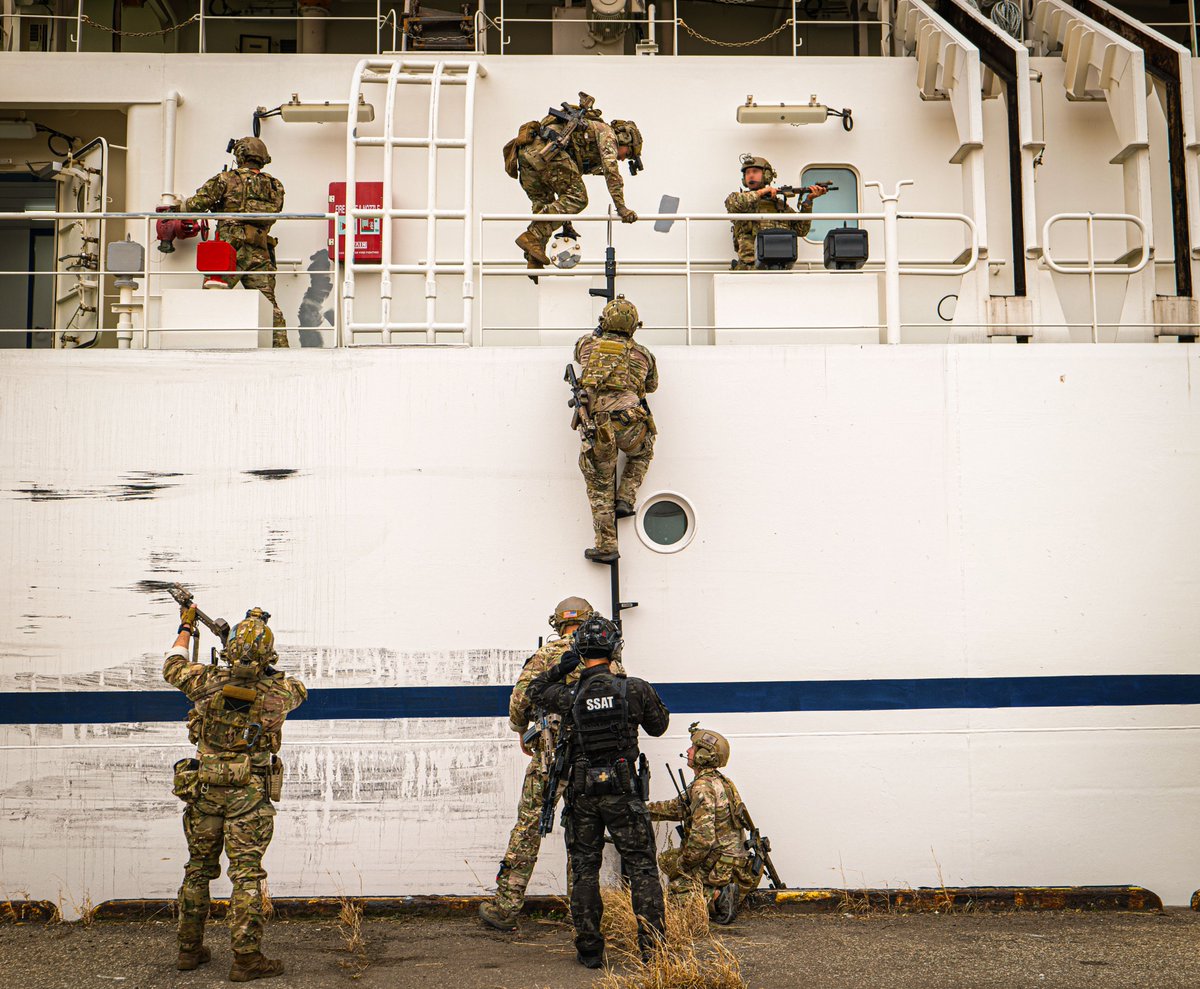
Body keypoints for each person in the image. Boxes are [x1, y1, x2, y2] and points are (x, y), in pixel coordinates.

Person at [164, 603, 307, 982]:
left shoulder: (204, 681)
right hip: (248, 796)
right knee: (245, 877)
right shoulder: (280, 693)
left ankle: (188, 951)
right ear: (268, 656)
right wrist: (256, 665)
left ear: (227, 653)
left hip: (205, 791)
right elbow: (296, 689)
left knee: (197, 870)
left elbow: (172, 665)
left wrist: (186, 626)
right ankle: (246, 960)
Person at [529, 615, 669, 969]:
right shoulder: (633, 688)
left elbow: (535, 692)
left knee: (584, 869)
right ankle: (653, 950)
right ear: (615, 648)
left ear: (579, 651)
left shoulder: (570, 694)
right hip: (623, 791)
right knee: (642, 867)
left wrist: (561, 667)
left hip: (583, 792)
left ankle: (590, 950)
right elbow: (659, 725)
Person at [478, 596, 627, 932]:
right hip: (591, 762)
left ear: (557, 623)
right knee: (583, 835)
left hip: (549, 758)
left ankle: (506, 907)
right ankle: (583, 915)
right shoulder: (604, 654)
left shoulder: (546, 655)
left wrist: (522, 732)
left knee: (528, 828)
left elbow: (520, 701)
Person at [506, 102, 643, 271]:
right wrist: (622, 208)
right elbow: (611, 172)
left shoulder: (588, 138)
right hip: (546, 151)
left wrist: (566, 225)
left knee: (544, 204)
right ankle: (533, 236)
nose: (622, 159)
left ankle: (533, 257)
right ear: (625, 139)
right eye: (627, 153)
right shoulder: (607, 134)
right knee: (579, 198)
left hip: (527, 154)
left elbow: (564, 190)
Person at [572, 295, 658, 564]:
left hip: (599, 427)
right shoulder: (644, 354)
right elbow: (652, 386)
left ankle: (607, 546)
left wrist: (599, 333)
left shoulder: (589, 346)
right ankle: (625, 498)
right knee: (641, 454)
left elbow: (578, 350)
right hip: (631, 423)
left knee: (599, 486)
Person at [648, 723, 761, 925]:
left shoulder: (702, 787)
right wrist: (641, 810)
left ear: (703, 754)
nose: (688, 751)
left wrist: (682, 865)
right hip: (730, 860)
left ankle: (718, 897)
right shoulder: (721, 781)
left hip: (721, 863)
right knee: (667, 860)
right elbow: (676, 808)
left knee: (674, 896)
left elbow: (702, 841)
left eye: (692, 748)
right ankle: (717, 888)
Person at [179, 137, 288, 346]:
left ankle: (201, 345)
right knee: (268, 305)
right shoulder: (275, 185)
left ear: (239, 156)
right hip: (260, 250)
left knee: (213, 296)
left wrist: (176, 208)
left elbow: (196, 205)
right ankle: (280, 347)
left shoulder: (225, 179)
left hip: (230, 250)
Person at [724, 155, 828, 270]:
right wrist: (763, 191)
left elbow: (801, 230)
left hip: (779, 269)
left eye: (755, 171)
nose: (750, 175)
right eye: (747, 173)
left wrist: (809, 200)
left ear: (767, 175)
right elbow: (735, 204)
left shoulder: (780, 206)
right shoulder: (737, 198)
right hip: (749, 269)